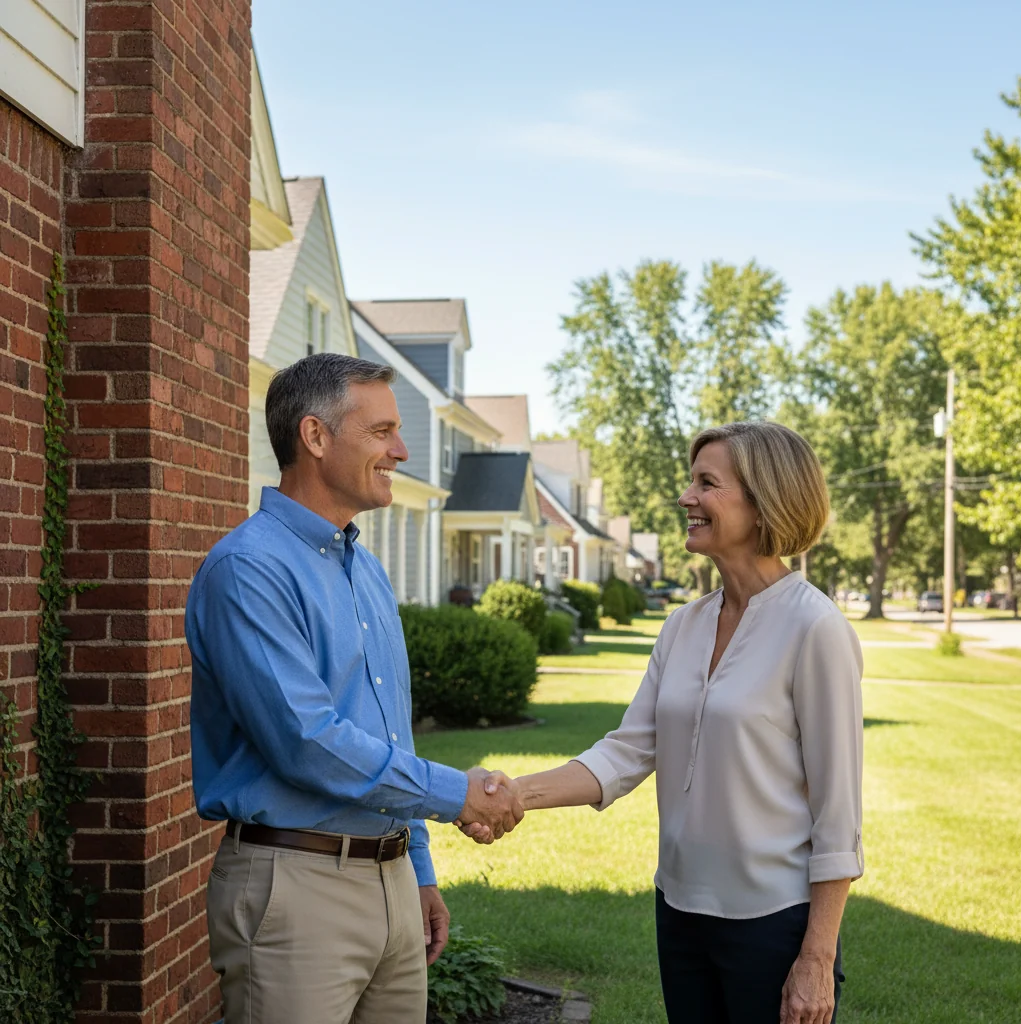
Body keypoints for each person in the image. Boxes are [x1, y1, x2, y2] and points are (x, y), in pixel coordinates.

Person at [465, 421, 864, 1024]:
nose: (686, 497)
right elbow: (627, 752)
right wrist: (514, 794)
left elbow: (838, 817)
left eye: (707, 483)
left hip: (772, 924)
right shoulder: (684, 625)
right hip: (678, 910)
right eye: (691, 480)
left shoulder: (815, 628)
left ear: (764, 502)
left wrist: (816, 955)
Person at [185, 353, 522, 1024]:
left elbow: (387, 730)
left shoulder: (365, 569)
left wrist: (418, 869)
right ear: (314, 437)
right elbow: (307, 743)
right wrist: (459, 795)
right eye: (381, 432)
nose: (400, 450)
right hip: (296, 889)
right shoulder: (248, 571)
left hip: (391, 880)